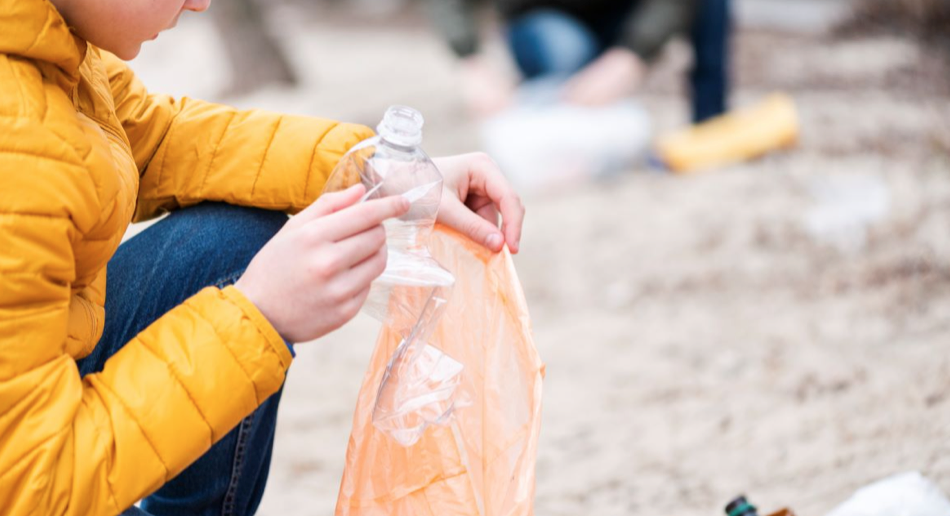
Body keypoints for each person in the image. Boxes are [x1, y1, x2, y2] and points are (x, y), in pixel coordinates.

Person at [0, 0, 525, 515]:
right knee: (240, 275)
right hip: (31, 480)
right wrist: (257, 314)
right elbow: (32, 489)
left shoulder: (50, 38)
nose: (200, 4)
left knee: (228, 243)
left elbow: (155, 140)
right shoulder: (15, 144)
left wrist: (379, 171)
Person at [426, 0, 731, 123]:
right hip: (544, 17)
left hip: (621, 15)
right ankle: (554, 111)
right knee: (566, 53)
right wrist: (470, 60)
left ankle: (710, 120)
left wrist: (635, 52)